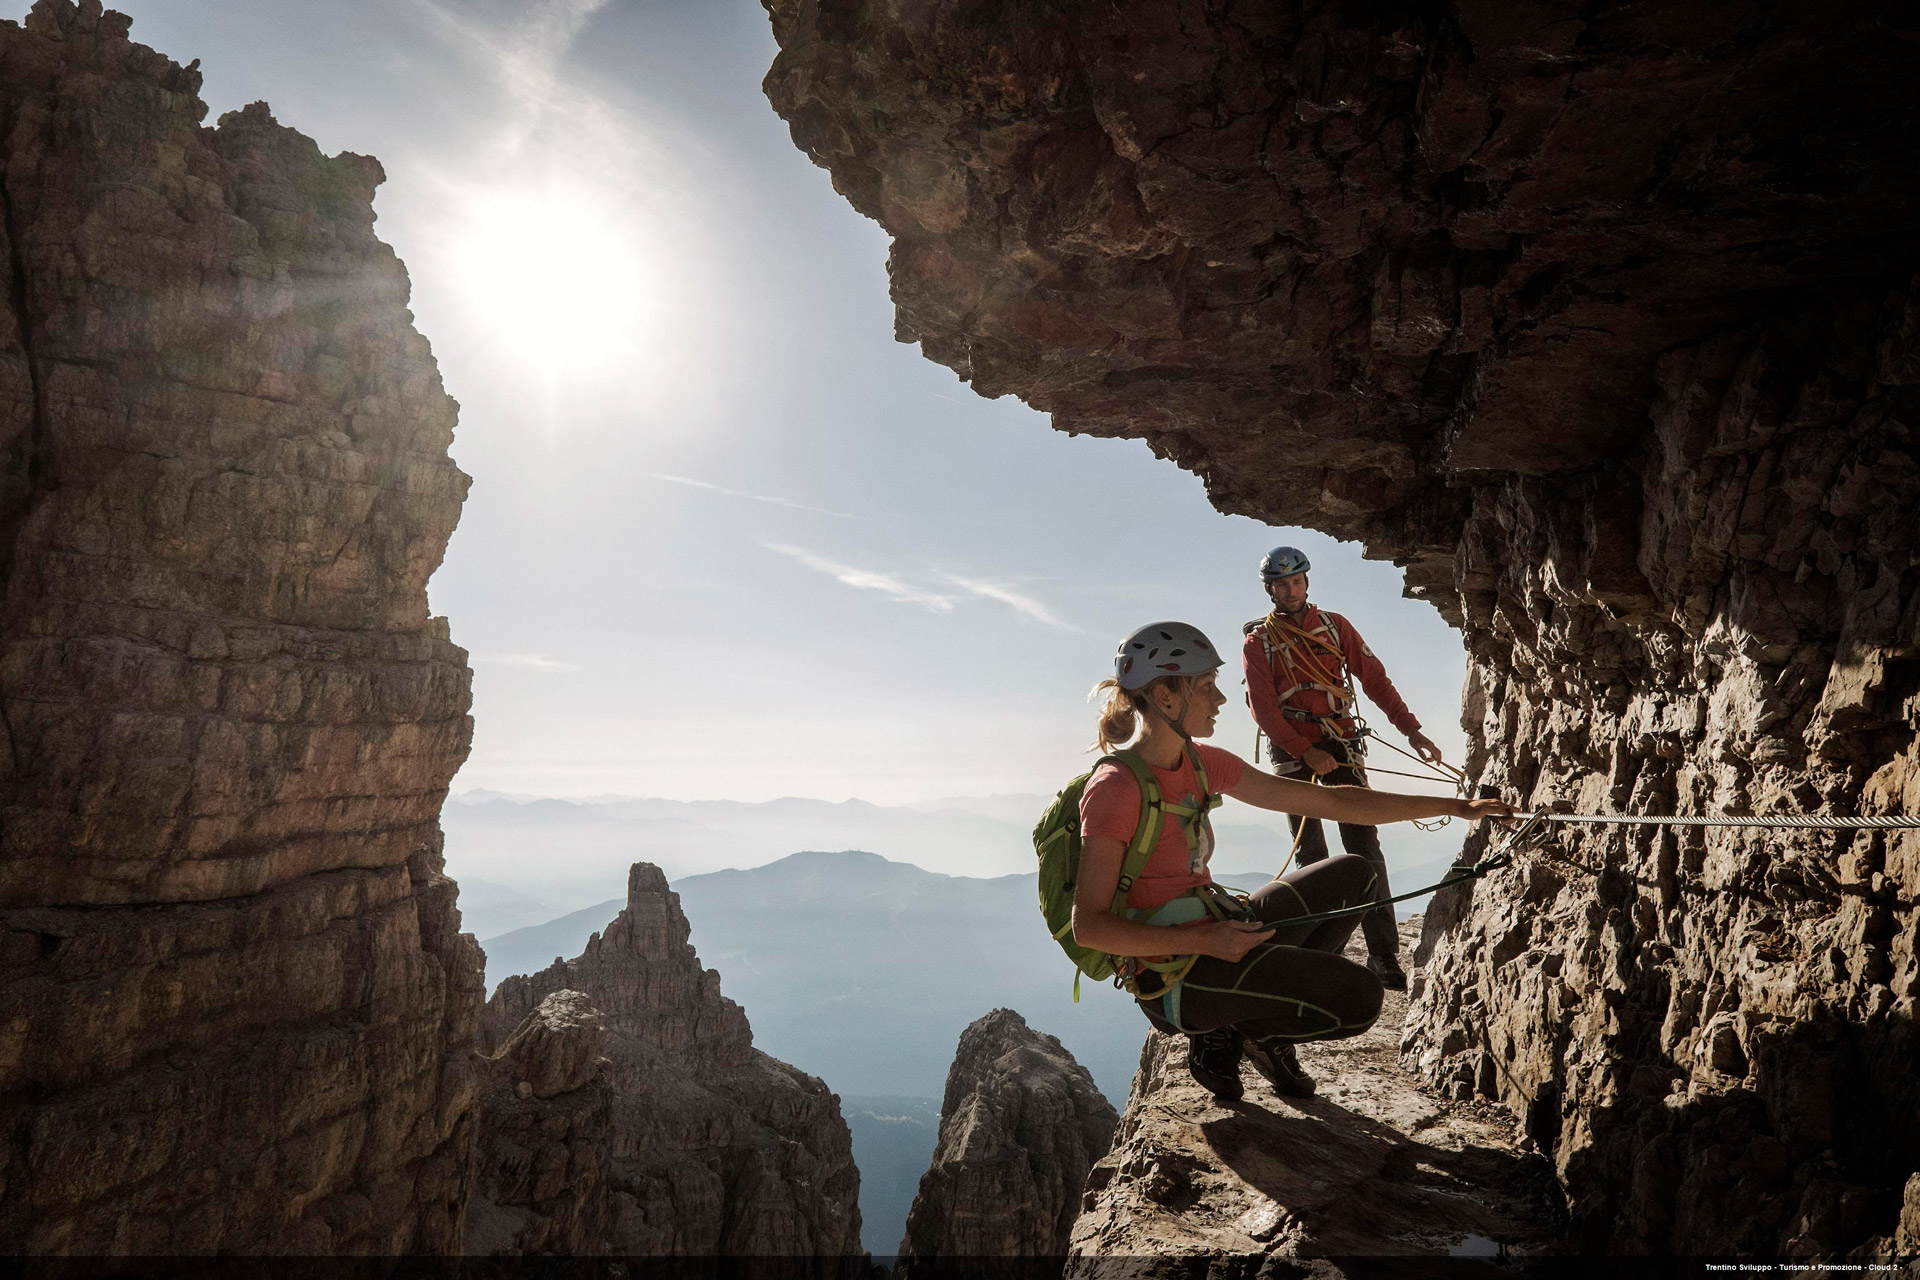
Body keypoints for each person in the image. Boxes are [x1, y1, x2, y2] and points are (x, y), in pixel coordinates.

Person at [1075, 621, 1510, 1101]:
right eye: (1206, 687)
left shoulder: (1202, 763)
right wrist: (1204, 941)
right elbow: (1090, 927)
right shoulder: (1116, 788)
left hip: (1218, 933)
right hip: (1175, 977)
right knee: (1360, 999)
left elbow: (1338, 803)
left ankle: (1255, 1028)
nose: (1220, 699)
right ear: (1165, 696)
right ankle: (1242, 1031)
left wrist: (1454, 806)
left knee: (1358, 874)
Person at [1242, 545, 1442, 991]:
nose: (1290, 590)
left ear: (1306, 583)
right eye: (1281, 584)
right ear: (1270, 589)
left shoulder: (1335, 627)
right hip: (1294, 755)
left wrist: (1412, 731)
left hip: (1341, 745)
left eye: (1296, 582)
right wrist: (1303, 749)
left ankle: (1383, 956)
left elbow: (1375, 680)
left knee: (1364, 849)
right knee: (1312, 857)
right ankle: (1317, 955)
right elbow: (1264, 709)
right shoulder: (1259, 642)